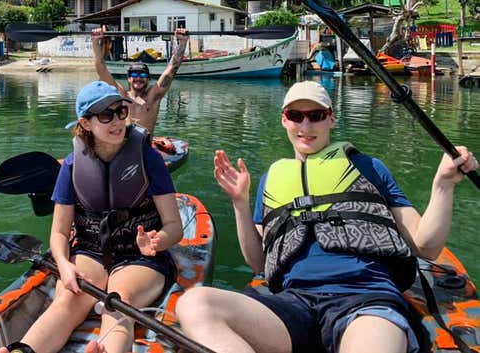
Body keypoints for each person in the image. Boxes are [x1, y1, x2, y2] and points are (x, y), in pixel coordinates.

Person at [175, 80, 478, 353]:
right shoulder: (271, 179)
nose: (305, 125)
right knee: (195, 304)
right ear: (284, 120)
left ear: (331, 118)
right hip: (293, 305)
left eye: (316, 116)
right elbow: (258, 263)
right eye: (296, 116)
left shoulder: (370, 168)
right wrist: (240, 203)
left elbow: (426, 246)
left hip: (365, 299)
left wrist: (443, 185)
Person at [0, 81, 183, 353]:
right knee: (69, 300)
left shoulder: (148, 159)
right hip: (91, 251)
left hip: (139, 256)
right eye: (106, 115)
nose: (117, 120)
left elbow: (174, 227)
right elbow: (59, 233)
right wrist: (63, 264)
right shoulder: (72, 165)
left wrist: (157, 241)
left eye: (120, 111)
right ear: (85, 122)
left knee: (120, 300)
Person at [91, 26, 189, 134]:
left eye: (142, 75)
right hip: (124, 146)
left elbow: (172, 69)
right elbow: (101, 69)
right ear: (129, 79)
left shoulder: (153, 97)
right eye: (134, 74)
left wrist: (183, 42)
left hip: (145, 147)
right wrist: (95, 41)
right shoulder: (121, 97)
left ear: (148, 79)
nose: (138, 78)